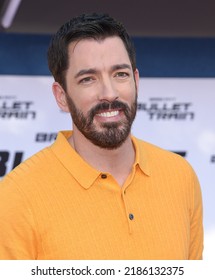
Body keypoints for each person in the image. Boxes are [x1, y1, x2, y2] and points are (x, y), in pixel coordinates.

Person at [0, 13, 203, 260]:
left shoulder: (180, 176)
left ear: (136, 81)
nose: (109, 93)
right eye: (88, 79)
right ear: (61, 96)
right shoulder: (16, 197)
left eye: (120, 74)